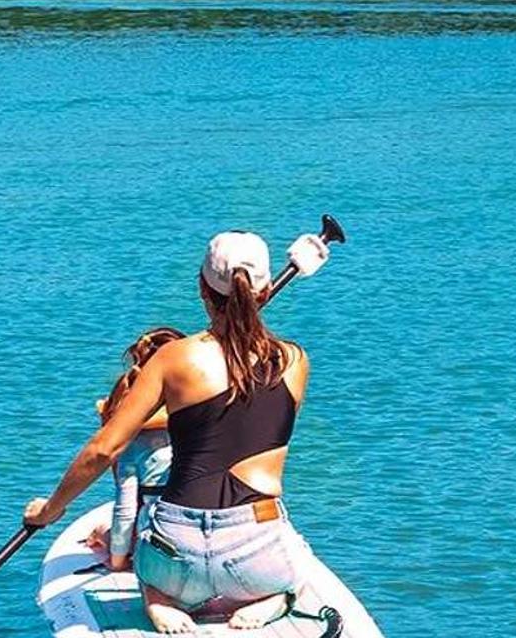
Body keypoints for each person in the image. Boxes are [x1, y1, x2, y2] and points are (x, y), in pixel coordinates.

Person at [25, 230, 328, 633]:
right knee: (296, 562)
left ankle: (159, 598)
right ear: (266, 289)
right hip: (256, 551)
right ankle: (276, 597)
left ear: (202, 286)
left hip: (175, 552)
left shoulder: (172, 360)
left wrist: (51, 510)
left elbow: (103, 450)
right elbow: (238, 409)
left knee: (154, 570)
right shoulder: (295, 361)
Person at [88, 326, 183, 572]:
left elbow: (125, 512)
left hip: (151, 540)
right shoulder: (197, 429)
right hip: (195, 534)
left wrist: (117, 562)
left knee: (126, 526)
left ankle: (102, 535)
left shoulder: (131, 444)